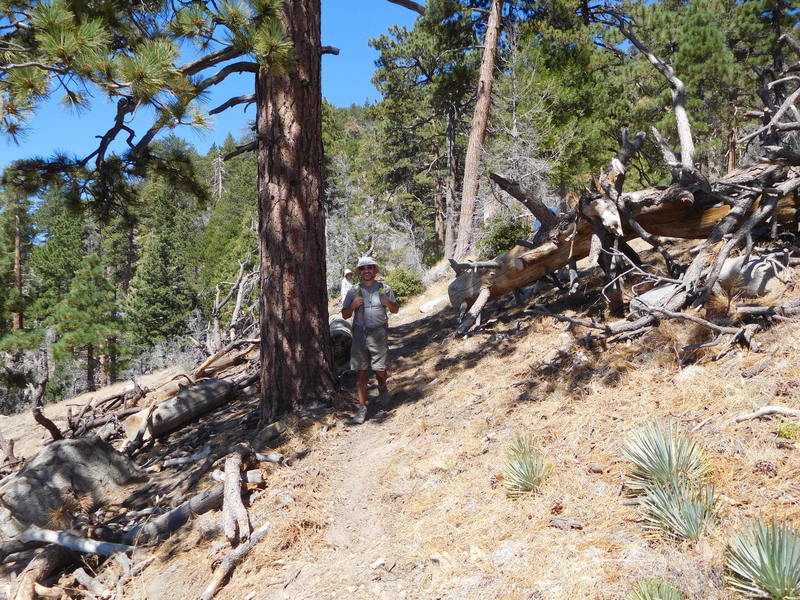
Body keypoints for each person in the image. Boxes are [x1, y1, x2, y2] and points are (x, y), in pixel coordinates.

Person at [341, 256, 399, 424]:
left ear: (375, 270)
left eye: (370, 267)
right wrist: (353, 306)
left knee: (380, 370)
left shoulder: (385, 289)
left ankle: (382, 386)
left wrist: (388, 303)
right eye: (363, 268)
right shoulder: (354, 291)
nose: (366, 270)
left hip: (379, 333)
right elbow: (345, 314)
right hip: (359, 333)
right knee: (362, 372)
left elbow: (395, 310)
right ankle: (362, 407)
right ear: (359, 272)